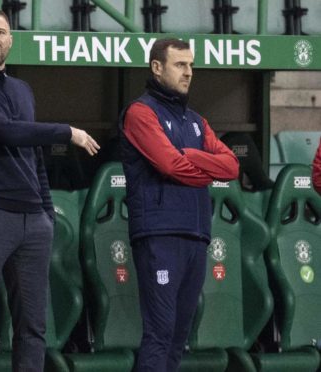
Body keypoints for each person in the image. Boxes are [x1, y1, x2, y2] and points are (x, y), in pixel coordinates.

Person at [0, 7, 99, 372]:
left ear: (11, 39)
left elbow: (32, 156)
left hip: (33, 221)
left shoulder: (22, 89)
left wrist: (45, 212)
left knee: (33, 326)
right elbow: (8, 132)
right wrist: (66, 131)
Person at [118, 38, 239, 372]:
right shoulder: (140, 113)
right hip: (159, 233)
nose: (188, 72)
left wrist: (192, 156)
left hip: (196, 233)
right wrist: (202, 170)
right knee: (160, 332)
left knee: (178, 336)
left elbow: (231, 167)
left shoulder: (196, 121)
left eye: (191, 65)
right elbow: (170, 166)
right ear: (157, 68)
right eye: (180, 65)